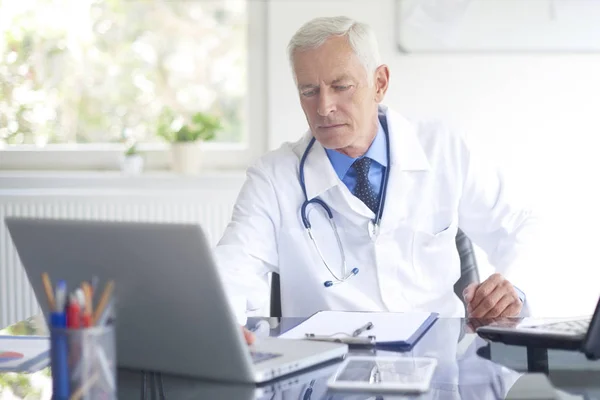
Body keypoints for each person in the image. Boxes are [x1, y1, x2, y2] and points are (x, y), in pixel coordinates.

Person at [214, 16, 539, 336]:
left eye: (340, 87)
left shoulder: (444, 148)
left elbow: (519, 224)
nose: (324, 107)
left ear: (380, 83)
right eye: (309, 91)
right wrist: (222, 322)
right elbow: (232, 269)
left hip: (437, 361)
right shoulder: (274, 177)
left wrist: (514, 288)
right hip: (327, 366)